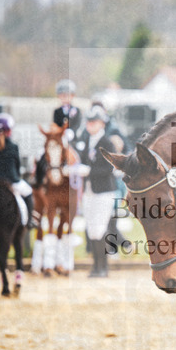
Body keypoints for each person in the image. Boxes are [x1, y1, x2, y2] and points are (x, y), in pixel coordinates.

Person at [77, 106, 120, 278]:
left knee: (100, 228)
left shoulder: (107, 143)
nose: (89, 125)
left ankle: (103, 267)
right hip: (89, 190)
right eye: (88, 121)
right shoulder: (87, 140)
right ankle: (95, 265)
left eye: (93, 122)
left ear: (101, 123)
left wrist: (88, 171)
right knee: (91, 228)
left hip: (104, 191)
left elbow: (108, 169)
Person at [0, 113, 34, 228]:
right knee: (29, 192)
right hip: (12, 180)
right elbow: (17, 166)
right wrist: (16, 176)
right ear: (10, 130)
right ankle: (29, 221)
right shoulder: (14, 146)